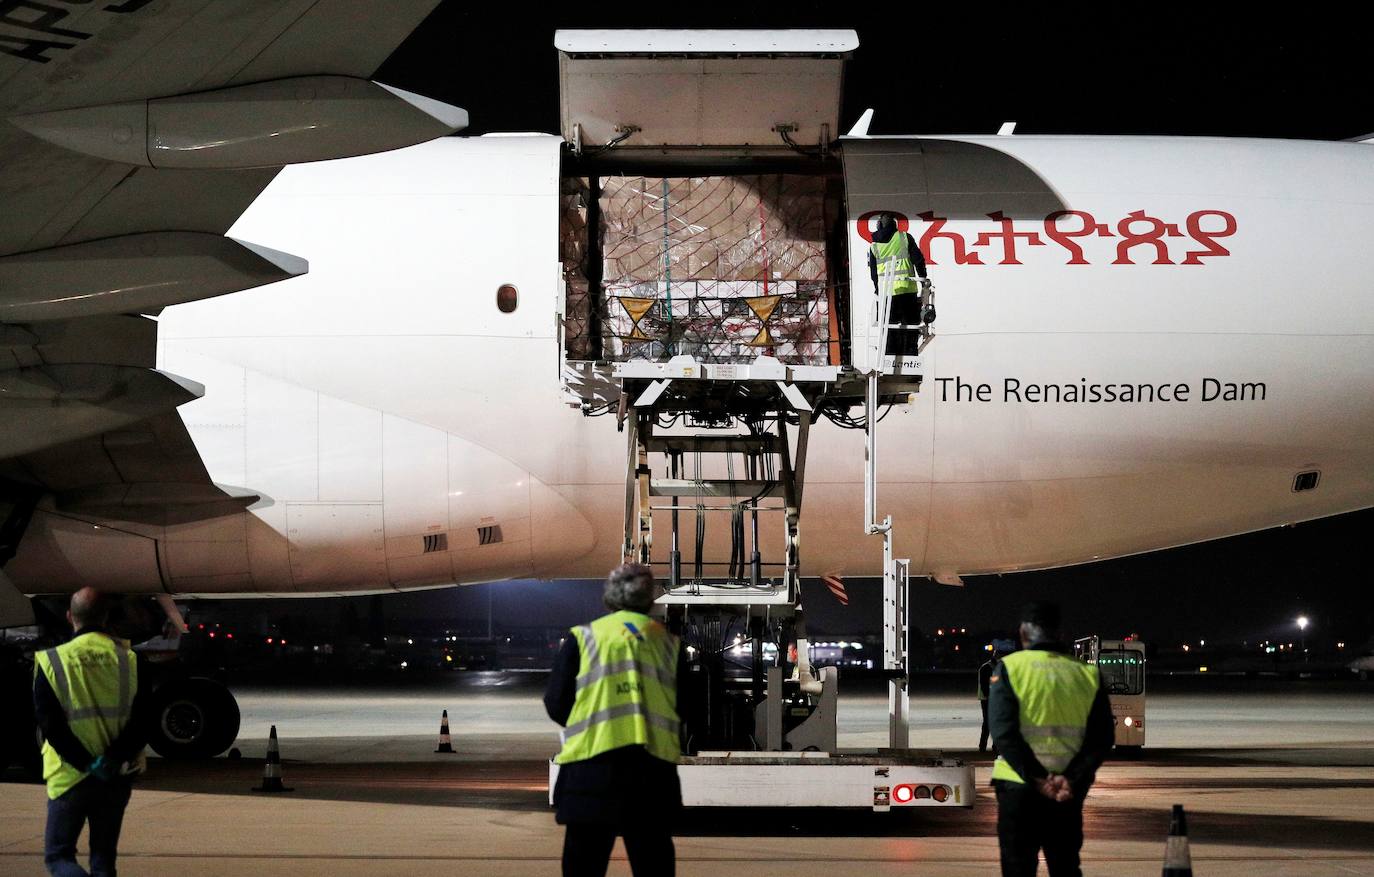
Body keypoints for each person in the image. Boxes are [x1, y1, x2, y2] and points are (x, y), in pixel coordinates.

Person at [544, 564, 684, 877]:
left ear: (608, 599)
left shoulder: (584, 638)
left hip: (591, 772)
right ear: (650, 600)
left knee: (584, 866)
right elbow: (685, 705)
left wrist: (591, 721)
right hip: (652, 775)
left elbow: (556, 703)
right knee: (654, 865)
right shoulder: (669, 644)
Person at [988, 601, 1114, 877]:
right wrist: (1070, 778)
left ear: (1023, 633)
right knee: (1066, 867)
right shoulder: (1087, 674)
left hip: (1019, 788)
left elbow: (1004, 733)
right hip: (1066, 792)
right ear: (1061, 634)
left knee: (1018, 869)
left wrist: (1038, 779)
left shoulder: (1010, 669)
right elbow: (1102, 738)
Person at [34, 587, 150, 877]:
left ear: (70, 616)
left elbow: (50, 725)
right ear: (107, 616)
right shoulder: (130, 660)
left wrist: (86, 763)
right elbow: (141, 722)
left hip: (70, 776)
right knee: (103, 860)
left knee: (59, 857)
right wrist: (111, 759)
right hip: (115, 775)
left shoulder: (52, 660)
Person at [867, 212, 932, 355]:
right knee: (910, 327)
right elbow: (918, 260)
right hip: (907, 291)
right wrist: (924, 281)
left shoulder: (874, 246)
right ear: (894, 225)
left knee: (888, 329)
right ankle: (910, 357)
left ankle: (889, 359)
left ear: (879, 226)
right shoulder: (904, 238)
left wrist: (878, 290)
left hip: (886, 294)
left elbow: (873, 274)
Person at [978, 647, 1000, 753]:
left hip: (992, 698)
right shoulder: (987, 668)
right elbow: (985, 685)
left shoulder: (992, 667)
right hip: (987, 699)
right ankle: (983, 746)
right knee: (988, 722)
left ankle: (989, 746)